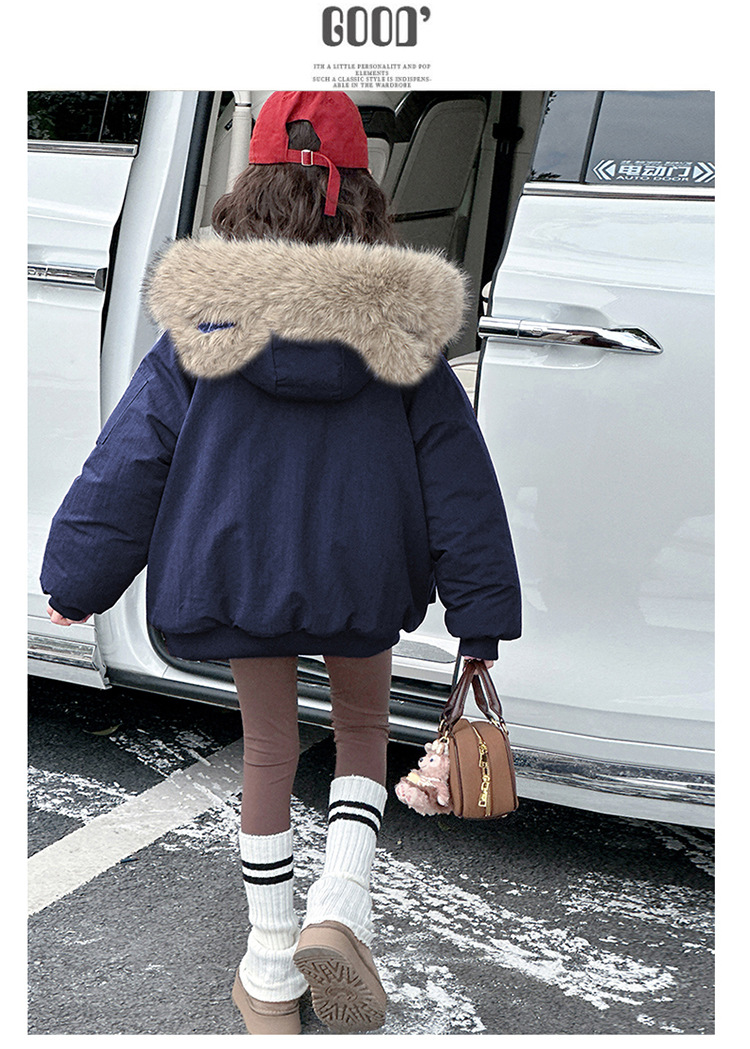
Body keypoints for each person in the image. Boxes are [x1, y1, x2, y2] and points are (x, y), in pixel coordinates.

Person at [40, 91, 522, 1035]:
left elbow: (131, 459)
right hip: (362, 572)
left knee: (267, 748)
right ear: (363, 198)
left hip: (240, 571)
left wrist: (77, 578)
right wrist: (481, 620)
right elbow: (461, 483)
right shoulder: (403, 339)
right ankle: (339, 906)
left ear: (249, 190)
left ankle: (268, 972)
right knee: (361, 728)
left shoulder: (200, 331)